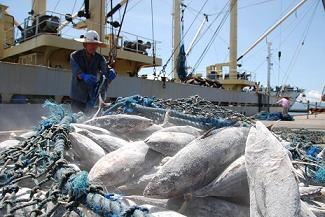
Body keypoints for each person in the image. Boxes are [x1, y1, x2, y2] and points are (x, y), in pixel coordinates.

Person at [70, 30, 116, 113]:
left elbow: (105, 71)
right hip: (78, 97)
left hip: (92, 97)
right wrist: (84, 76)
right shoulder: (75, 56)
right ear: (85, 44)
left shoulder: (100, 58)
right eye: (90, 44)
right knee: (76, 118)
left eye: (95, 44)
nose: (93, 46)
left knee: (89, 118)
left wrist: (111, 72)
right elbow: (76, 72)